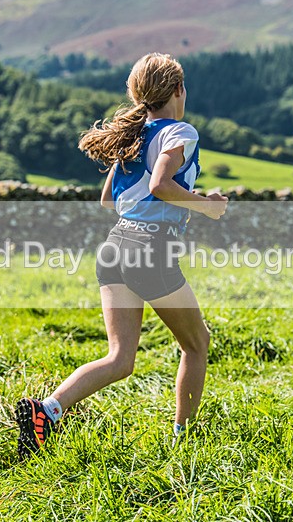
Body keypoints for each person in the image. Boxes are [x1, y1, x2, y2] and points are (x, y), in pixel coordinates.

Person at [15, 52, 228, 460]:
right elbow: (163, 186)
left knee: (119, 358)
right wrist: (205, 204)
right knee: (196, 343)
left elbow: (108, 199)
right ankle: (183, 444)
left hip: (114, 247)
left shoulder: (133, 135)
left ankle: (47, 411)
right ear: (179, 90)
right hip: (150, 249)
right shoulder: (180, 132)